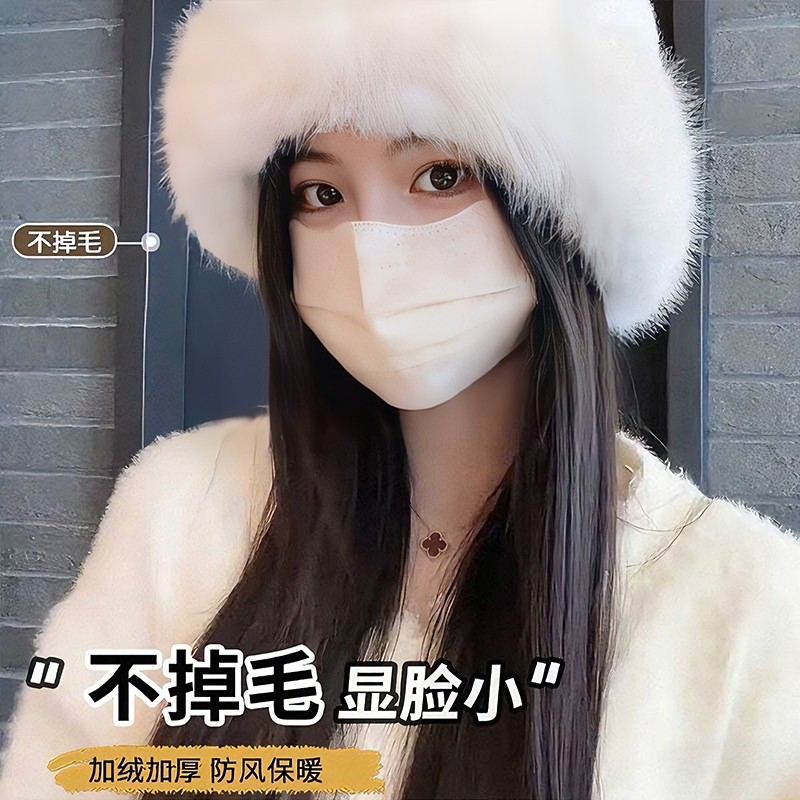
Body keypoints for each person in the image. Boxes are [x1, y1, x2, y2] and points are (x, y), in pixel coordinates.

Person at [1, 1, 800, 799]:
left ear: (565, 219)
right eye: (320, 192)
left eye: (440, 175)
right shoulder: (179, 506)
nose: (367, 248)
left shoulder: (741, 605)